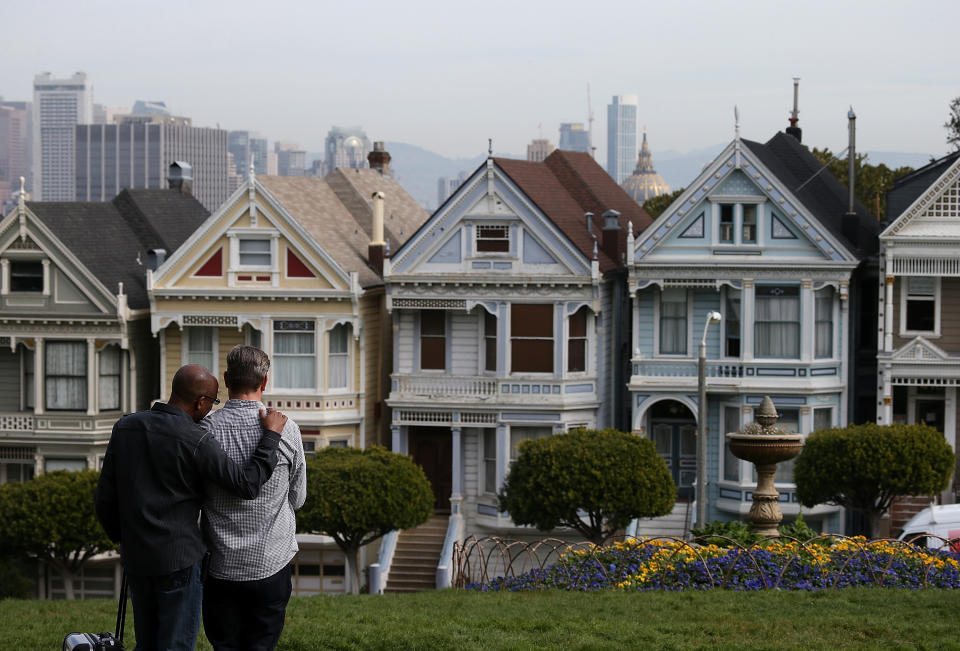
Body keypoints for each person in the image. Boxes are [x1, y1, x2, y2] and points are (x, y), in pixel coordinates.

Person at [95, 364, 287, 651]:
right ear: (201, 402)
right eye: (212, 402)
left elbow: (104, 498)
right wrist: (271, 436)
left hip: (137, 558)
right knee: (175, 645)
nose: (211, 409)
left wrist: (125, 539)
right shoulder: (195, 439)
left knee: (146, 643)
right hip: (179, 560)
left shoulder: (125, 427)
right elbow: (247, 485)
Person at [201, 345, 306, 651]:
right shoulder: (288, 431)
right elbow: (298, 498)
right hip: (270, 564)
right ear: (264, 382)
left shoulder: (205, 431)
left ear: (226, 379)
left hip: (221, 566)